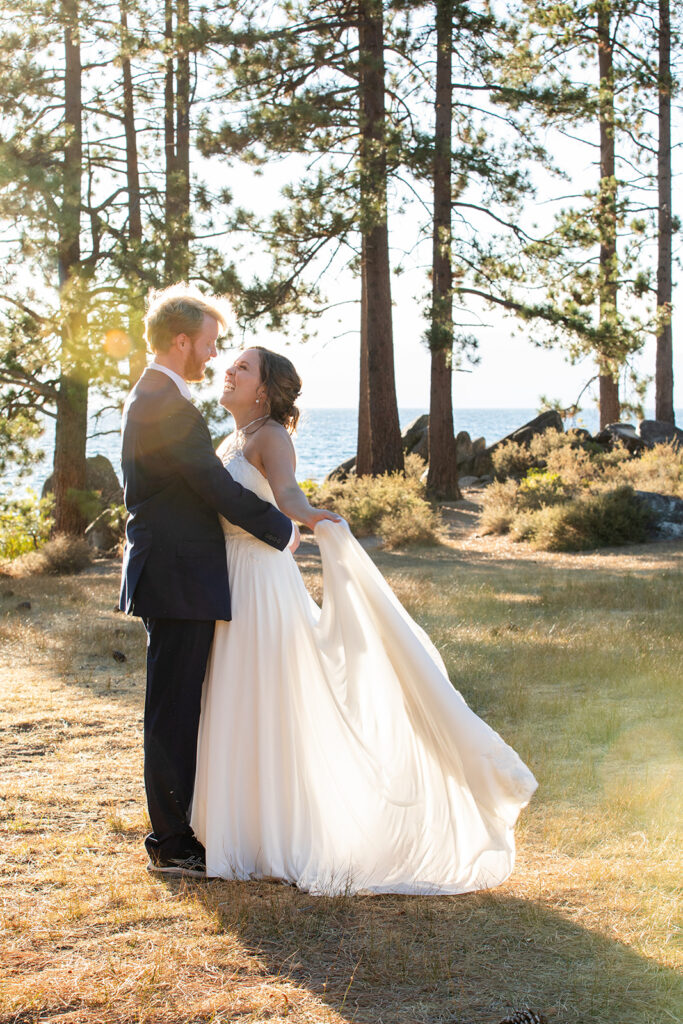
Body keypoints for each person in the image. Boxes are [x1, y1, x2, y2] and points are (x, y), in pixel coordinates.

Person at [190, 346, 538, 895]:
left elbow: (285, 494)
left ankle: (278, 835)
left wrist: (312, 517)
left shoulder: (270, 437)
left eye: (242, 368)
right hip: (230, 576)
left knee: (263, 697)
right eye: (230, 364)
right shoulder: (231, 437)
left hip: (260, 582)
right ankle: (242, 830)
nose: (229, 372)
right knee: (236, 696)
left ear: (263, 388)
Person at [119, 287, 336, 878]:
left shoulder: (159, 396)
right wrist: (281, 530)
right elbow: (211, 486)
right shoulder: (166, 403)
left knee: (188, 704)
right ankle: (170, 843)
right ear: (182, 340)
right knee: (172, 709)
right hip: (177, 575)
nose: (215, 357)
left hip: (183, 574)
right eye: (212, 346)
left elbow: (207, 484)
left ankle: (186, 831)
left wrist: (291, 517)